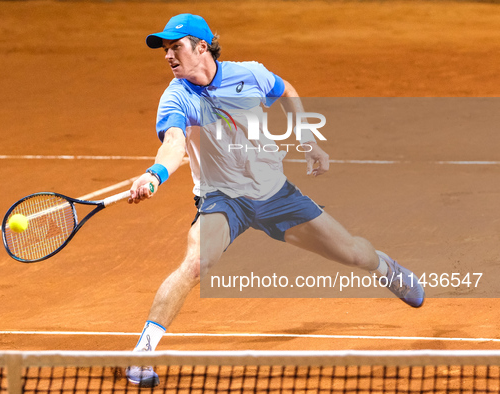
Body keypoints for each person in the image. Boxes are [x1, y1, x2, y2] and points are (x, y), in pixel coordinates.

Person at [125, 13, 425, 387]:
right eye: (165, 50)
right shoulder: (177, 96)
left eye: (176, 47)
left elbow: (286, 90)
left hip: (274, 193)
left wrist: (307, 138)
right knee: (196, 262)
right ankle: (142, 353)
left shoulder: (249, 74)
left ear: (202, 47)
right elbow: (172, 144)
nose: (169, 56)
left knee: (353, 254)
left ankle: (385, 268)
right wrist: (155, 175)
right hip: (223, 199)